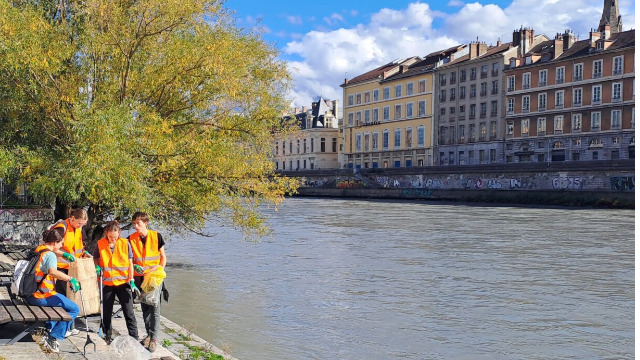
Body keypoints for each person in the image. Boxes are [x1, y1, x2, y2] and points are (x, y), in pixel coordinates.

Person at [25, 227, 81, 353]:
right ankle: (53, 336)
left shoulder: (39, 249)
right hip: (42, 296)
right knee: (74, 309)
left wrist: (64, 254)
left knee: (60, 303)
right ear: (55, 242)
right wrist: (70, 279)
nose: (62, 246)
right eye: (61, 243)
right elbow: (52, 271)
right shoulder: (50, 255)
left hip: (30, 293)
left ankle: (49, 329)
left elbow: (52, 251)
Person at [93, 220, 141, 344]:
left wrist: (131, 280)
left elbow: (130, 263)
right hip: (107, 283)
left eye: (115, 237)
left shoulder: (125, 243)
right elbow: (96, 258)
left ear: (119, 233)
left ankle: (134, 338)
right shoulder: (100, 243)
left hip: (123, 283)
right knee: (106, 312)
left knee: (129, 311)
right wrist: (97, 266)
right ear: (106, 233)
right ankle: (106, 336)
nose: (112, 239)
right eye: (110, 237)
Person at [128, 212, 167, 353]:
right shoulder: (130, 239)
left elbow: (163, 257)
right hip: (139, 278)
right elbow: (130, 260)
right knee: (145, 308)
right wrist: (134, 269)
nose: (136, 226)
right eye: (134, 224)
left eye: (138, 223)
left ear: (146, 223)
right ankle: (149, 335)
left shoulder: (157, 236)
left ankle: (154, 340)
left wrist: (160, 272)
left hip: (154, 278)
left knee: (155, 308)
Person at [50, 208, 91, 335]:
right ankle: (59, 327)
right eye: (79, 223)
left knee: (71, 297)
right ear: (72, 218)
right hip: (60, 267)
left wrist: (85, 254)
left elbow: (78, 247)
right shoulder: (61, 227)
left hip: (72, 267)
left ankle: (69, 326)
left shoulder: (78, 228)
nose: (81, 226)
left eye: (83, 224)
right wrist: (64, 255)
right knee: (63, 299)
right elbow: (50, 246)